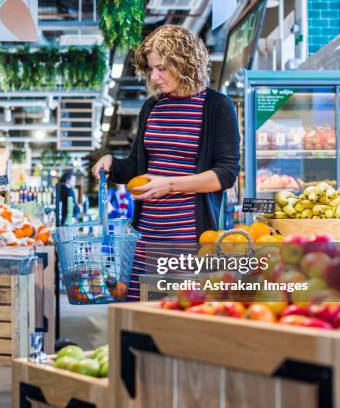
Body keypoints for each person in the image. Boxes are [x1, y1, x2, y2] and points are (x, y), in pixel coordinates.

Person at [92, 25, 240, 301]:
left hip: (188, 239)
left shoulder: (217, 107)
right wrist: (112, 162)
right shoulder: (153, 107)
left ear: (184, 62)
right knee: (139, 313)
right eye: (151, 70)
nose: (154, 77)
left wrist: (169, 185)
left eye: (161, 68)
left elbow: (225, 174)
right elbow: (138, 166)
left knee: (182, 314)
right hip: (146, 235)